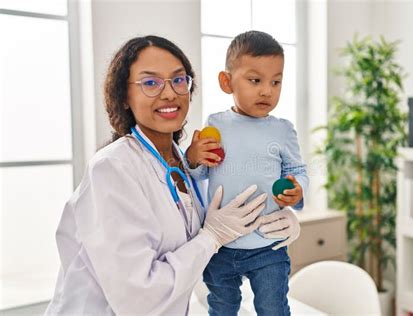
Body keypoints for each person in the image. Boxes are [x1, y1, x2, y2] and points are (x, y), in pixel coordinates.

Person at [44, 35, 301, 316]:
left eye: (179, 80)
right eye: (150, 83)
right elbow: (138, 298)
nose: (169, 93)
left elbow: (220, 212)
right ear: (124, 96)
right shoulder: (111, 169)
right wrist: (211, 237)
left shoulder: (182, 161)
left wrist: (276, 213)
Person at [186, 31, 309, 316]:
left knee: (273, 308)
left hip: (268, 245)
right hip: (221, 246)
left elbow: (297, 170)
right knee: (222, 308)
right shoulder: (215, 123)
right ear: (226, 82)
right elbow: (201, 172)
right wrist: (193, 157)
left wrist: (297, 189)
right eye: (255, 80)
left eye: (276, 81)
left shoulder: (283, 129)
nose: (267, 90)